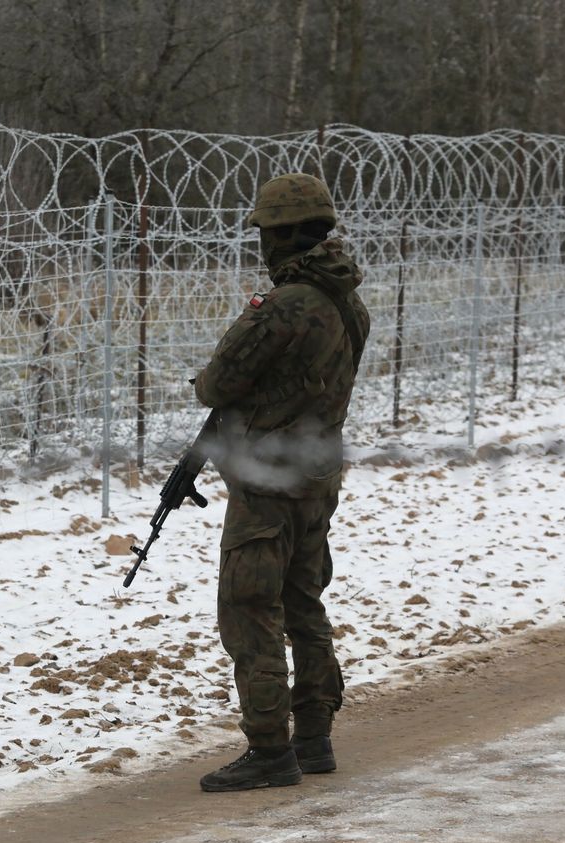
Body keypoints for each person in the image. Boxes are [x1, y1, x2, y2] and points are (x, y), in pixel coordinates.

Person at [192, 172, 370, 792]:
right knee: (303, 604)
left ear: (281, 237)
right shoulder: (349, 302)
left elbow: (217, 383)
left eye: (266, 235)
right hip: (317, 476)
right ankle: (314, 736)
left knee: (249, 609)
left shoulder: (286, 306)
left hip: (267, 484)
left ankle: (270, 748)